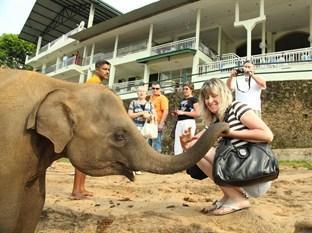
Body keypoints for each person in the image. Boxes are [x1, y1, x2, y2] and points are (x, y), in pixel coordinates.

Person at [180, 78, 273, 216]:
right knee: (194, 148)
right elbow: (193, 144)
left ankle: (238, 199)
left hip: (255, 173)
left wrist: (230, 133)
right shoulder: (215, 121)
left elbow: (268, 135)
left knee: (199, 149)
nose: (210, 101)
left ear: (223, 94)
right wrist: (185, 142)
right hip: (240, 172)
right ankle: (229, 196)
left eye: (214, 96)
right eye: (206, 97)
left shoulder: (237, 108)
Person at [71, 59, 110, 200]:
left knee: (86, 158)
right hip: (85, 125)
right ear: (97, 69)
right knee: (82, 158)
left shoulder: (97, 84)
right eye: (105, 69)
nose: (107, 72)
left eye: (108, 70)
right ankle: (76, 190)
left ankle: (81, 188)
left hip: (89, 124)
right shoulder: (92, 84)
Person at [128, 86, 155, 175]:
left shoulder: (150, 104)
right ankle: (132, 167)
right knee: (134, 147)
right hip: (135, 127)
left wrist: (149, 116)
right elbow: (130, 115)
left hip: (146, 128)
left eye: (143, 91)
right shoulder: (133, 103)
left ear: (146, 93)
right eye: (139, 91)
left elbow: (154, 116)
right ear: (137, 93)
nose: (141, 93)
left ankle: (138, 167)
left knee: (142, 148)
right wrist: (141, 113)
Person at [172, 81, 200, 155]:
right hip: (179, 122)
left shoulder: (194, 99)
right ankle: (177, 163)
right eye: (183, 89)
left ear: (191, 90)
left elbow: (197, 113)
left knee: (187, 143)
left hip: (188, 122)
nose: (184, 90)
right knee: (177, 144)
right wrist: (176, 113)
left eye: (186, 89)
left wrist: (183, 112)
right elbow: (181, 111)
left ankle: (188, 164)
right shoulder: (182, 100)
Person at [149, 82, 169, 152]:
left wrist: (161, 124)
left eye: (157, 88)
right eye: (153, 88)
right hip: (151, 124)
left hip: (157, 124)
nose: (155, 90)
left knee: (156, 145)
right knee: (149, 145)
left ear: (160, 89)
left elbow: (165, 111)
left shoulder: (162, 98)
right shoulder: (151, 98)